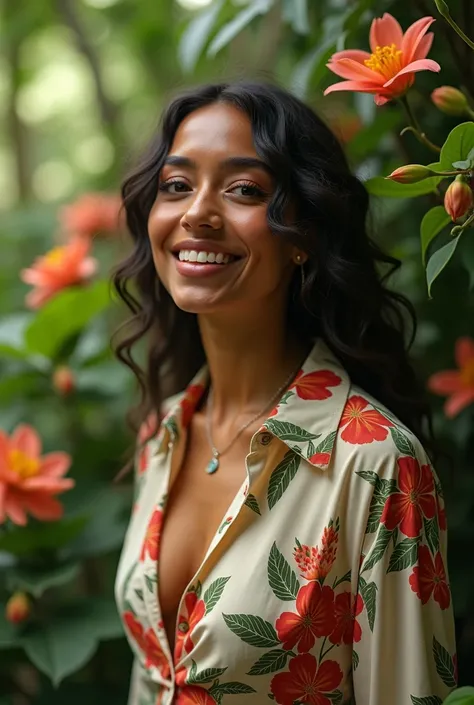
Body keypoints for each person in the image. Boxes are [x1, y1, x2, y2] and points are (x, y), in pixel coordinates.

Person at [113, 81, 456, 705]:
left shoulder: (376, 463)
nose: (197, 213)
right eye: (176, 185)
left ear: (303, 235)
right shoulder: (163, 431)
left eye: (244, 189)